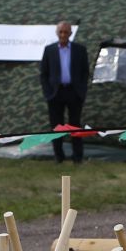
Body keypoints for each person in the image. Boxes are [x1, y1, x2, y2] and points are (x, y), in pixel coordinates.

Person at [39, 21, 88, 163]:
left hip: (74, 92)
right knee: (56, 126)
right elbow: (44, 73)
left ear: (70, 34)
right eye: (60, 32)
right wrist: (48, 92)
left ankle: (77, 157)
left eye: (66, 32)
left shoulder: (80, 50)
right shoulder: (50, 50)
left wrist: (81, 90)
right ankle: (58, 157)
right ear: (57, 33)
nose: (63, 35)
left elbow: (85, 72)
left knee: (75, 125)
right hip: (56, 93)